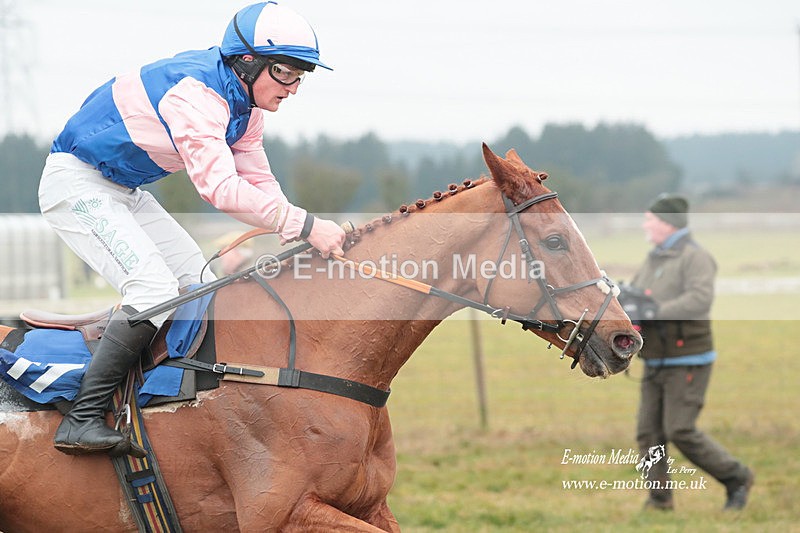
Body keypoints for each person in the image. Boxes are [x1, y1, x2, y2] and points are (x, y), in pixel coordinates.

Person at [39, 1, 345, 456]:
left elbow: (258, 181)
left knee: (199, 286)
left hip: (126, 189)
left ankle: (169, 398)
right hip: (77, 182)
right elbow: (220, 188)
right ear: (247, 61)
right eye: (285, 72)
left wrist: (301, 227)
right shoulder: (197, 94)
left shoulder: (246, 106)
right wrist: (305, 225)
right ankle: (82, 418)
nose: (294, 88)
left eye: (301, 76)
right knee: (153, 289)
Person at [631, 194, 754, 511]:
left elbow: (699, 300)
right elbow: (637, 293)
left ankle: (736, 477)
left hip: (687, 359)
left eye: (651, 219)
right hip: (655, 359)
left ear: (668, 224)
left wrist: (654, 311)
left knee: (680, 430)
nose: (646, 224)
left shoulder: (695, 257)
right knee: (648, 433)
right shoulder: (654, 257)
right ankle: (659, 502)